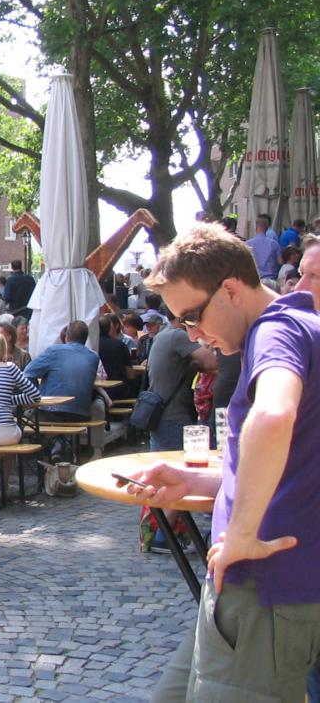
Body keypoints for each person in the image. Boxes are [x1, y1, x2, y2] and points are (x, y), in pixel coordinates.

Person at [123, 222, 320, 702]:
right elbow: (295, 467)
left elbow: (273, 416)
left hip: (263, 589)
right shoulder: (301, 327)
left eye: (192, 316)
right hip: (268, 589)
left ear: (231, 289)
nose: (194, 333)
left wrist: (244, 534)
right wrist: (197, 480)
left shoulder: (275, 331)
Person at [24, 320, 103, 458]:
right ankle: (59, 446)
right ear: (85, 338)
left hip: (51, 412)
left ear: (66, 336)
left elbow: (28, 373)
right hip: (81, 412)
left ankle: (54, 446)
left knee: (24, 417)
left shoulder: (54, 351)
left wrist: (36, 393)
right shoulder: (93, 357)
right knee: (60, 418)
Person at [146, 307, 217, 452]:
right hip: (174, 417)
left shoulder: (162, 334)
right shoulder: (178, 336)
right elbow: (213, 363)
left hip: (159, 415)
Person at [246, 215, 282, 280]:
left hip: (254, 279)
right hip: (271, 279)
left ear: (256, 227)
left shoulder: (248, 244)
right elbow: (280, 261)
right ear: (267, 228)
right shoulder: (274, 244)